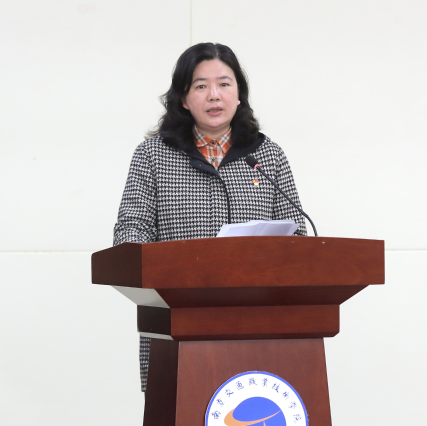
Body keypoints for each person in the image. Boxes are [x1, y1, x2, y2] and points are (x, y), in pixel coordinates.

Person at [113, 43, 307, 392]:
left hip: (258, 325)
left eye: (224, 84)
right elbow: (131, 229)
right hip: (176, 324)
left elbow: (298, 238)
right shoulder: (153, 156)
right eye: (201, 86)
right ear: (183, 99)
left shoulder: (267, 155)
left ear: (239, 95)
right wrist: (155, 266)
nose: (214, 95)